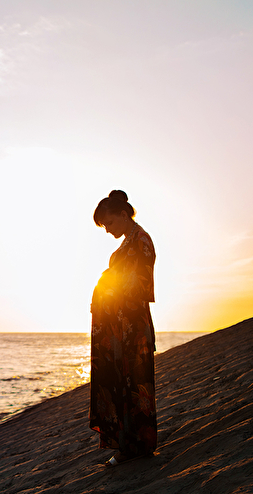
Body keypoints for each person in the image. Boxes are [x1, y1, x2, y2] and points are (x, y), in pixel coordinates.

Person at [89, 190, 157, 466]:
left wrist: (108, 289)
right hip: (120, 325)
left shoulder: (141, 240)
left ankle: (137, 446)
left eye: (109, 223)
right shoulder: (129, 242)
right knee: (121, 383)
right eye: (104, 226)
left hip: (133, 325)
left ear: (123, 214)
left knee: (135, 384)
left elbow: (141, 285)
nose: (108, 230)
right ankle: (129, 446)